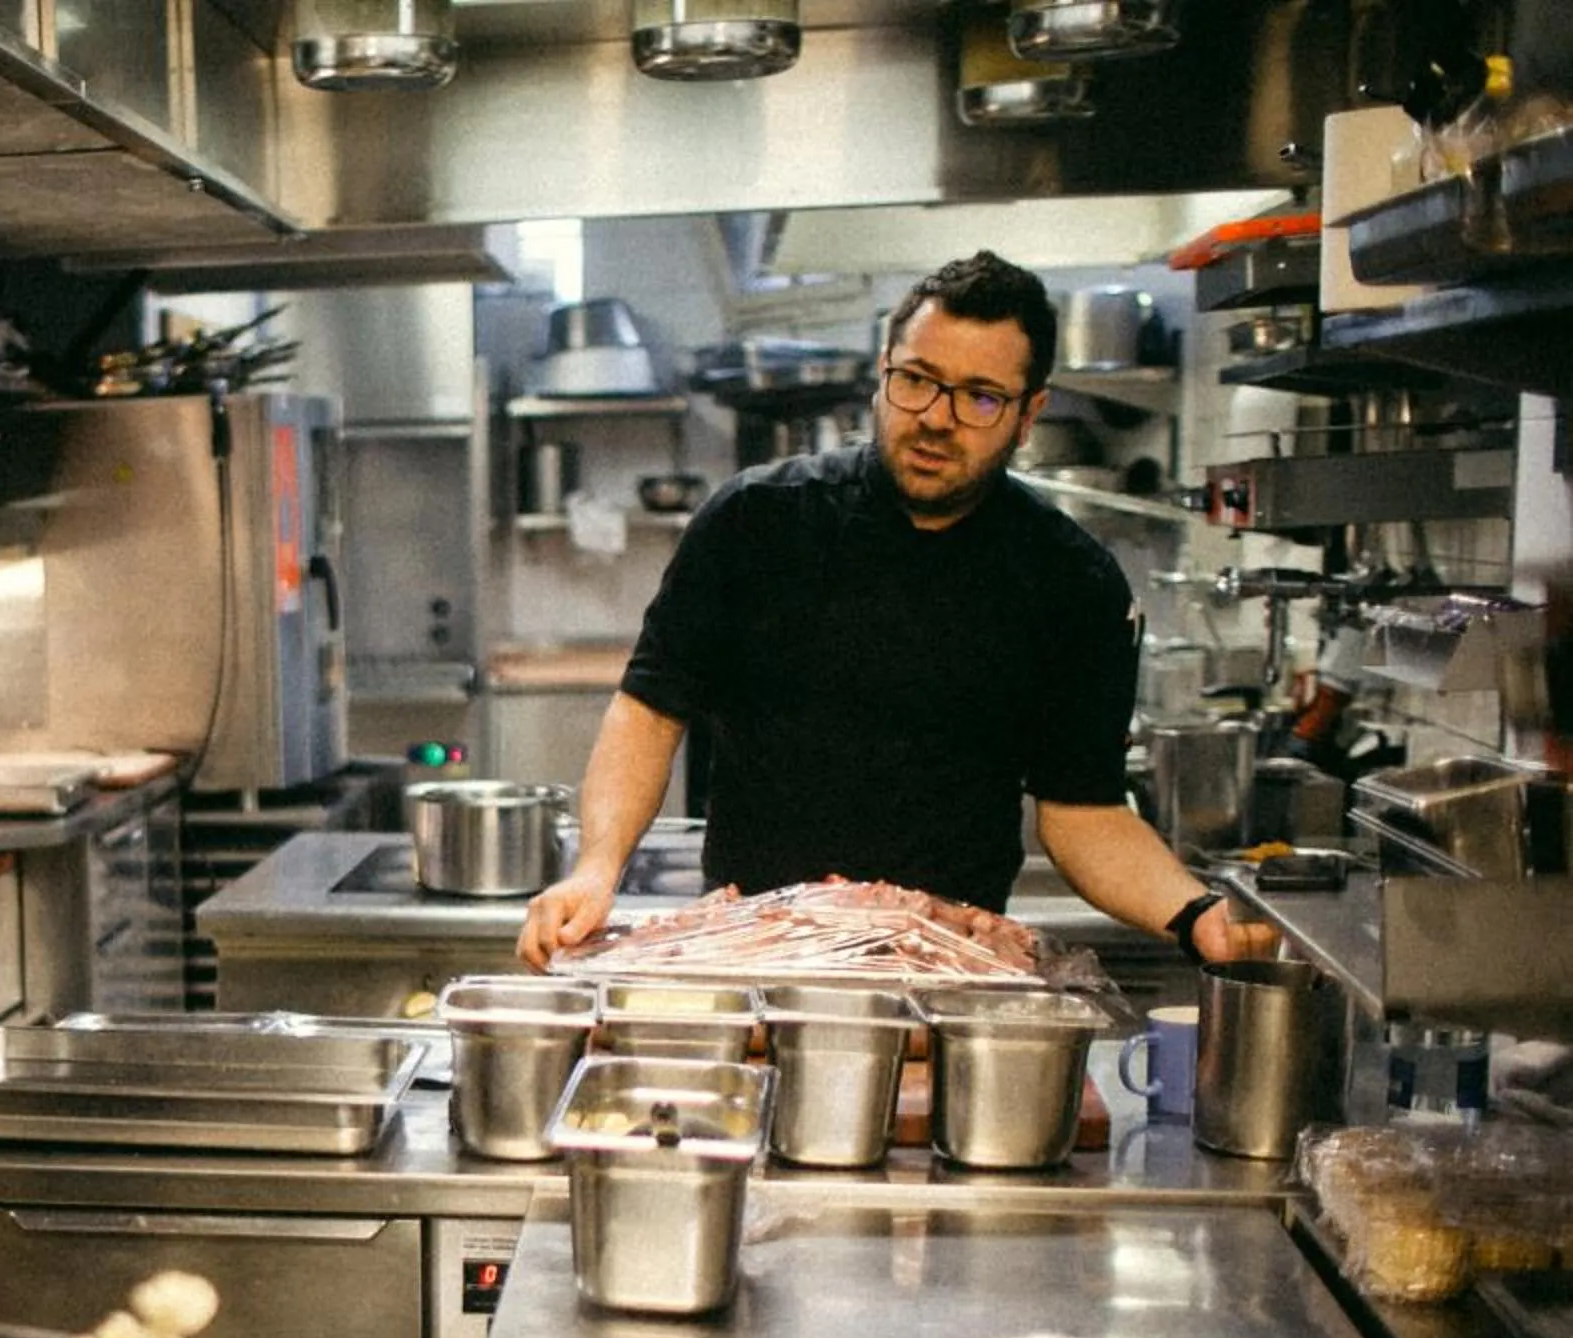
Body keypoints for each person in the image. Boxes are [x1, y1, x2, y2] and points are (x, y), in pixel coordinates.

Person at [517, 250, 1274, 971]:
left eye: (980, 397)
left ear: (1028, 413)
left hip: (944, 968)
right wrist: (596, 867)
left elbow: (1085, 814)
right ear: (883, 375)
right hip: (754, 952)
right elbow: (649, 713)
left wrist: (1193, 912)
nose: (938, 417)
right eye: (917, 379)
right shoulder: (757, 522)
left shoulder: (1072, 582)